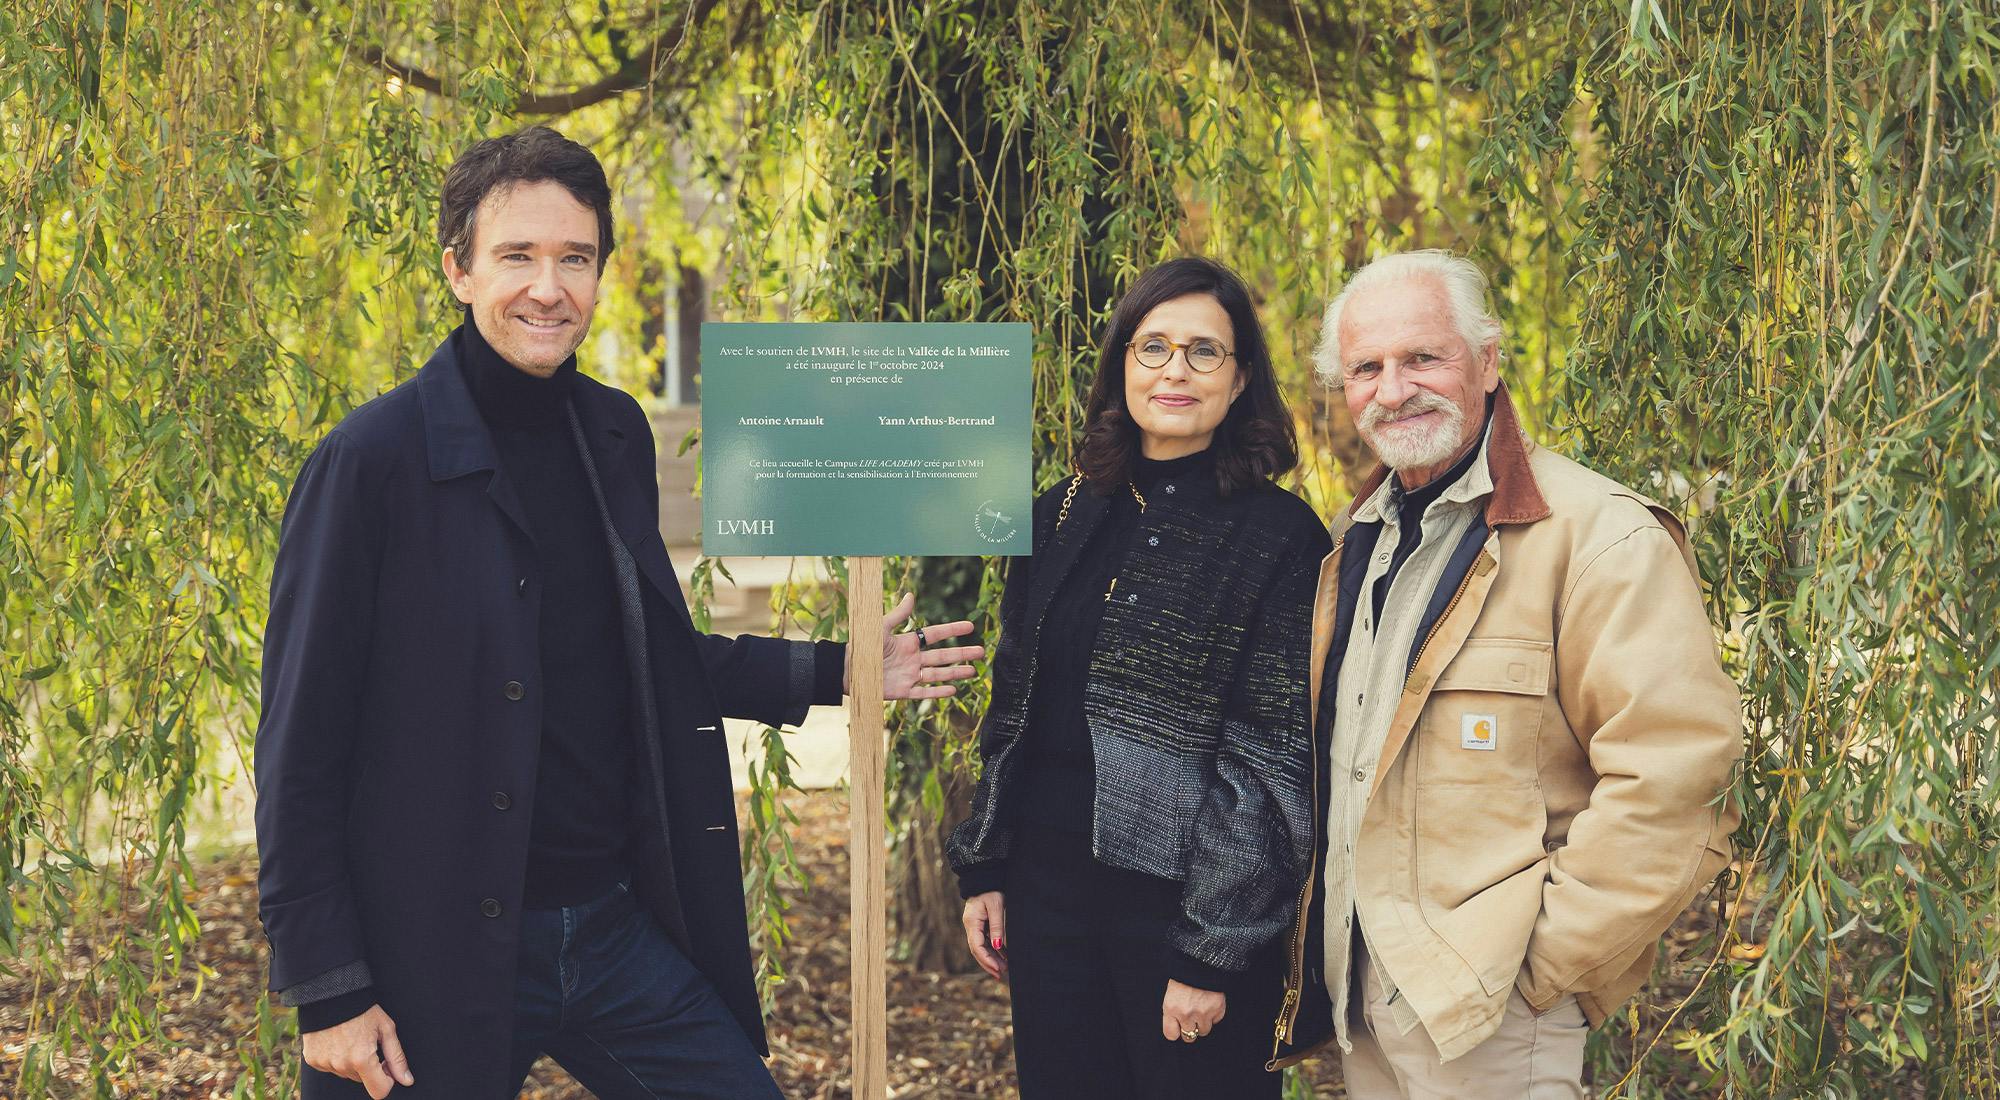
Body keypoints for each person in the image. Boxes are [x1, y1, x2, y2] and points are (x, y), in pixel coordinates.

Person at [253, 125, 983, 1099]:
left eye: (575, 258)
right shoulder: (368, 464)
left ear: (599, 273)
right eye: (516, 255)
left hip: (605, 932)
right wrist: (329, 989)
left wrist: (842, 669)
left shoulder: (612, 432)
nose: (547, 286)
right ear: (457, 269)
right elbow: (298, 747)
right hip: (432, 946)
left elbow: (649, 650)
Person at [1266, 250, 1742, 1097]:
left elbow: (1677, 777)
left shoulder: (1599, 537)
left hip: (1490, 1017)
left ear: (1487, 360)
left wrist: (1539, 972)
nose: (1393, 387)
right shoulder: (1357, 540)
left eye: (1423, 357)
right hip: (1364, 1000)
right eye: (1366, 368)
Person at [947, 257, 1331, 1099]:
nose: (1174, 370)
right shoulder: (1059, 511)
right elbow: (1015, 705)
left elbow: (1269, 765)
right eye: (1152, 346)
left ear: (1239, 382)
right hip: (1048, 898)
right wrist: (986, 864)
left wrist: (1212, 948)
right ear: (1122, 364)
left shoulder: (1280, 537)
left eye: (1203, 351)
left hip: (1179, 909)